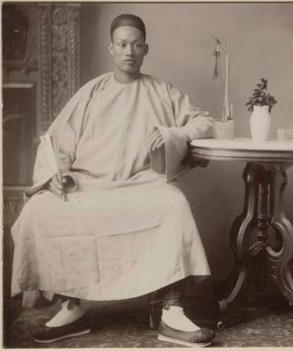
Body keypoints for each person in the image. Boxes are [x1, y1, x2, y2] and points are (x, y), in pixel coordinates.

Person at [11, 14, 216, 347]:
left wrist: (170, 133)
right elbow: (59, 140)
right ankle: (72, 307)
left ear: (146, 49)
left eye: (136, 45)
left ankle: (171, 311)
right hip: (88, 184)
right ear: (111, 48)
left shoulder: (161, 91)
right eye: (122, 44)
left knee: (174, 203)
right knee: (39, 208)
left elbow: (203, 122)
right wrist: (56, 175)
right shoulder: (92, 92)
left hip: (141, 184)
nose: (129, 52)